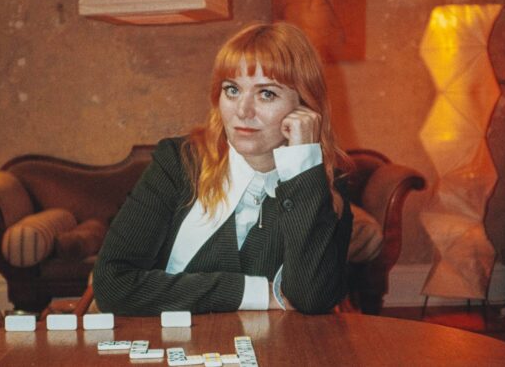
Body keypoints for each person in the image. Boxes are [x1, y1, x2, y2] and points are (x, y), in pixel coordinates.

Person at [93, 22, 354, 315]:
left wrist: (302, 166)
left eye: (266, 94)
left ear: (305, 107)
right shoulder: (180, 162)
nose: (243, 110)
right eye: (232, 90)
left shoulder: (323, 183)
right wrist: (255, 292)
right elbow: (112, 285)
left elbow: (312, 299)